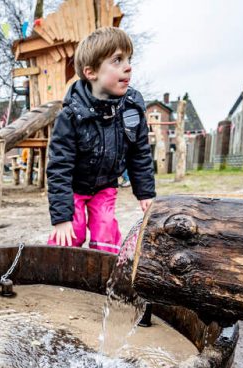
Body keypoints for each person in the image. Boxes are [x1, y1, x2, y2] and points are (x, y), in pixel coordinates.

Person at [47, 27, 156, 252]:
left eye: (128, 58)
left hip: (105, 185)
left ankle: (103, 273)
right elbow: (59, 167)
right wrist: (61, 217)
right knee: (71, 233)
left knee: (105, 231)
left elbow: (140, 153)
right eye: (117, 60)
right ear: (91, 72)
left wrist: (145, 193)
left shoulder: (132, 109)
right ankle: (56, 269)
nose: (128, 66)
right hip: (74, 187)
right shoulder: (71, 115)